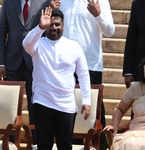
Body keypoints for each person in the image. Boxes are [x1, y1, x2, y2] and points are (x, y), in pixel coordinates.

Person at [22, 7, 91, 149]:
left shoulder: (74, 46)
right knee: (44, 145)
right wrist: (40, 27)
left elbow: (83, 74)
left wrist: (86, 100)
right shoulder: (38, 44)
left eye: (57, 24)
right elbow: (26, 44)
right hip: (43, 103)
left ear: (63, 26)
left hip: (66, 105)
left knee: (65, 146)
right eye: (50, 25)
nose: (54, 28)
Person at [50, 0, 115, 149]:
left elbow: (110, 31)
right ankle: (73, 144)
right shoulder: (60, 1)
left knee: (93, 106)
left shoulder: (99, 1)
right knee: (67, 105)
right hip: (64, 63)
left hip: (90, 63)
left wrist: (98, 14)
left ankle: (102, 145)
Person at [0, 0, 51, 143]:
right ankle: (9, 141)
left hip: (34, 62)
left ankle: (36, 141)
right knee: (9, 104)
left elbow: (48, 33)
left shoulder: (45, 2)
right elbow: (2, 32)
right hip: (11, 62)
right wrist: (1, 62)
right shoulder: (9, 2)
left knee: (36, 104)